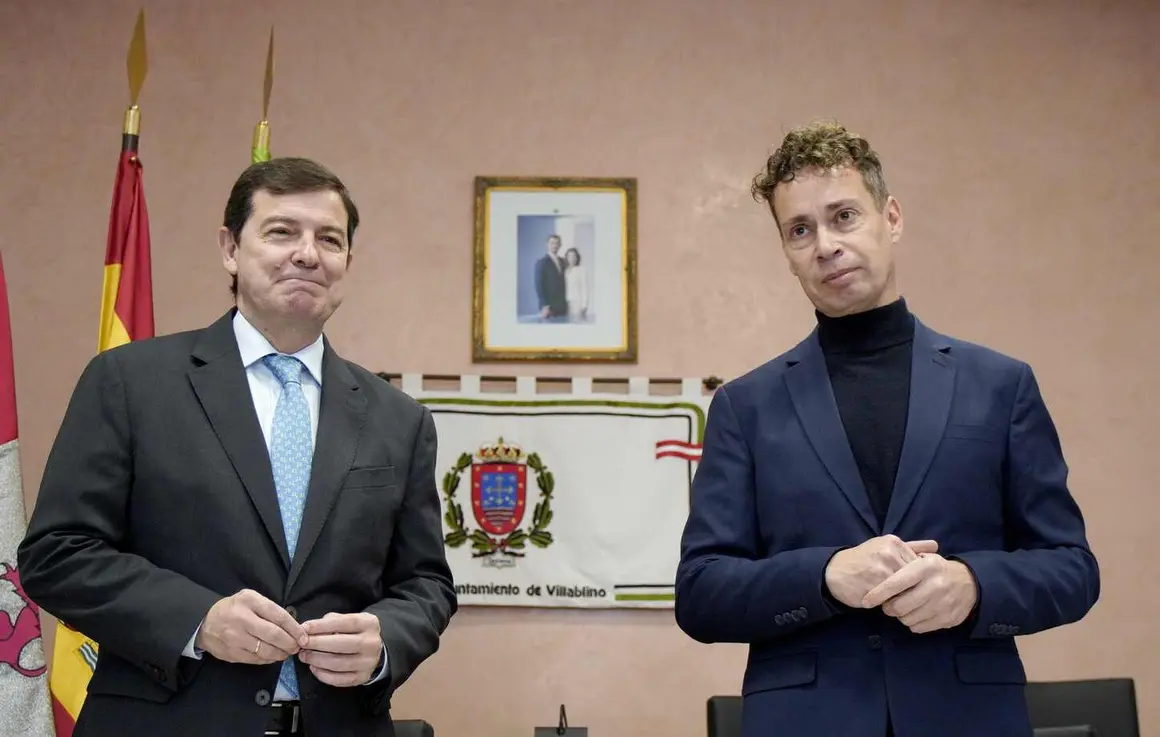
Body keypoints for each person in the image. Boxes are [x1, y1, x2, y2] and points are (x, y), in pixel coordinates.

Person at [674, 121, 1099, 737]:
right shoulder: (746, 406)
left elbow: (1072, 569)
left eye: (843, 216)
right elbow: (701, 592)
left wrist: (973, 586)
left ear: (890, 217)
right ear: (787, 252)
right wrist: (824, 576)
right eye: (800, 230)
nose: (825, 245)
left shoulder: (1001, 385)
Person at [18, 157, 457, 736]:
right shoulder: (130, 382)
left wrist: (385, 643)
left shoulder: (399, 419)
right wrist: (196, 620)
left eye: (330, 239)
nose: (307, 253)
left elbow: (425, 584)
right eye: (281, 232)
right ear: (230, 248)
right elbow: (57, 553)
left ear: (348, 261)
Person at [534, 234, 568, 320]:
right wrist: (545, 305)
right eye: (552, 243)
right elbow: (539, 285)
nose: (555, 245)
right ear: (547, 244)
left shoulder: (563, 262)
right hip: (549, 307)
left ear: (560, 245)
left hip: (563, 306)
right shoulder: (542, 262)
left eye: (557, 243)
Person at [562, 247, 589, 323]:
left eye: (574, 256)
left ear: (577, 257)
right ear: (567, 258)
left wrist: (584, 305)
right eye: (569, 256)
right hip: (566, 303)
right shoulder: (565, 270)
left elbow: (585, 287)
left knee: (577, 324)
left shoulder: (581, 270)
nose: (572, 258)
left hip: (577, 303)